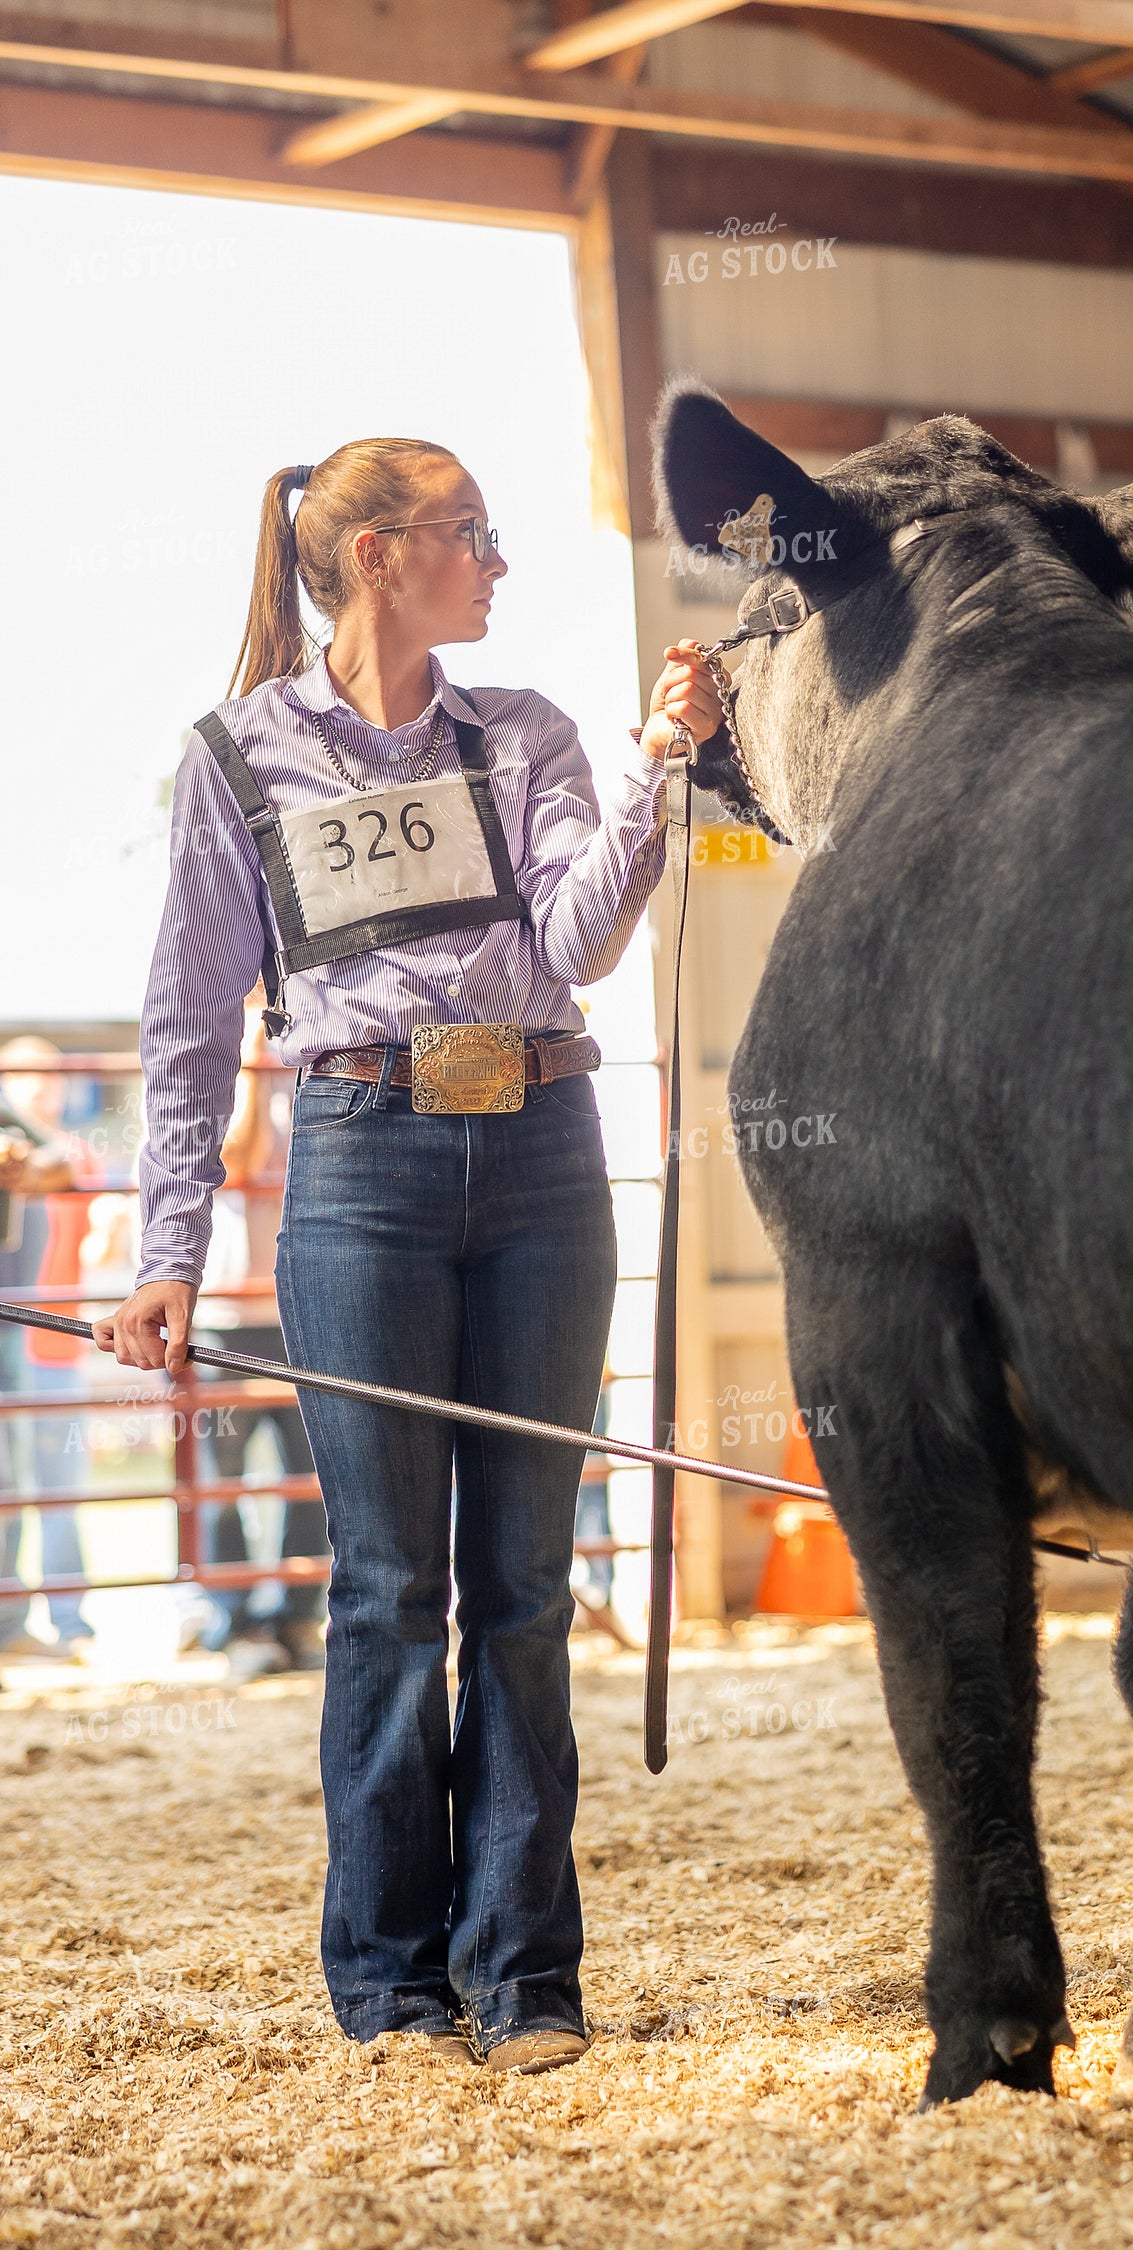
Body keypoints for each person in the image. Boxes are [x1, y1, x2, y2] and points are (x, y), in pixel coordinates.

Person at [93, 439, 719, 2073]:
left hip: (539, 1154)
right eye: (470, 538)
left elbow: (576, 941)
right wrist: (166, 1249)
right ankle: (390, 1981)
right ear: (378, 556)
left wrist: (657, 764)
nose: (498, 564)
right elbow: (182, 1028)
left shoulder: (530, 736)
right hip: (358, 1163)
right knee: (389, 1588)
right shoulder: (238, 761)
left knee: (522, 1587)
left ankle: (523, 1975)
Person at [192, 987, 329, 1676]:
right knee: (226, 1479)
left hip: (297, 1305)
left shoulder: (313, 1058)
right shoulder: (219, 1068)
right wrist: (250, 1062)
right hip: (228, 1314)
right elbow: (236, 1161)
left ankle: (298, 1618)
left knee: (315, 1475)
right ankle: (236, 1623)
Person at [0, 1039, 96, 1662]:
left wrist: (26, 1162)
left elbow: (66, 1162)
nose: (41, 1086)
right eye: (24, 1075)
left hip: (42, 1333)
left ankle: (58, 1622)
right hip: (22, 1327)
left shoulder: (42, 1139)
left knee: (49, 1483)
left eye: (50, 1075)